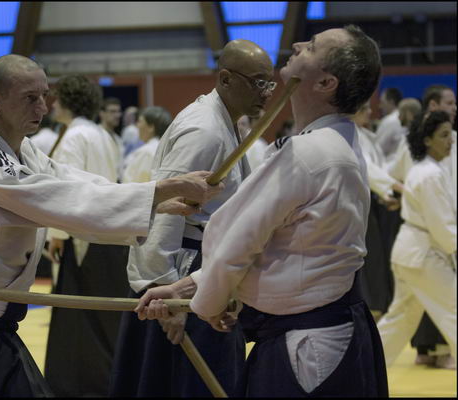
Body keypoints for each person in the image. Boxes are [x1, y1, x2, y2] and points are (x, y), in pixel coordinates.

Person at [0, 54, 222, 398]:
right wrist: (161, 190)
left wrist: (155, 202)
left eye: (45, 95)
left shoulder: (21, 148)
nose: (43, 107)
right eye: (31, 98)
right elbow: (57, 198)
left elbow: (72, 179)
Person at [136, 25, 388, 397]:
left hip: (307, 345)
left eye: (312, 47)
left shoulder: (309, 153)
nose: (299, 45)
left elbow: (236, 242)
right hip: (326, 332)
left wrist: (203, 304)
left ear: (325, 83)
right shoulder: (338, 141)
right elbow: (276, 244)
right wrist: (186, 288)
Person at [111, 38, 274, 398]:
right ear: (226, 79)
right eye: (258, 82)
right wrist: (166, 295)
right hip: (179, 276)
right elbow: (166, 214)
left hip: (201, 270)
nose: (266, 92)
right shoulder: (205, 131)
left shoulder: (225, 122)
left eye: (270, 82)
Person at [45, 77, 129, 397]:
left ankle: (78, 386)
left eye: (56, 98)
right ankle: (108, 380)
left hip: (83, 235)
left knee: (80, 315)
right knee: (102, 316)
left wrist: (55, 234)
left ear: (68, 101)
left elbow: (65, 192)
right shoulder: (104, 135)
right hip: (110, 232)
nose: (51, 104)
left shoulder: (73, 137)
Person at [376, 110, 456, 370]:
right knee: (454, 311)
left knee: (400, 319)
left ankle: (364, 370)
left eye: (450, 134)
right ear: (427, 140)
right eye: (443, 135)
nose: (450, 140)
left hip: (411, 253)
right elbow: (443, 226)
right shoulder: (429, 174)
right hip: (423, 254)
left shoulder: (430, 170)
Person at [352, 102, 402, 318]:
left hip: (376, 201)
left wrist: (388, 191)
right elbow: (368, 169)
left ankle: (376, 307)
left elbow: (379, 167)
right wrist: (390, 188)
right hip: (361, 204)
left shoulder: (365, 135)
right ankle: (370, 308)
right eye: (364, 109)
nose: (370, 112)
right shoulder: (350, 135)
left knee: (377, 260)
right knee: (369, 261)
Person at [122, 106, 172, 183]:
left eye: (140, 121)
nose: (137, 125)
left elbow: (135, 186)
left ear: (151, 127)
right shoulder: (166, 148)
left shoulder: (146, 152)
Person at [376, 87, 404, 162]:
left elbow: (378, 148)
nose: (380, 106)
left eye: (382, 102)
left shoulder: (390, 121)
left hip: (390, 165)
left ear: (391, 102)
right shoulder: (402, 117)